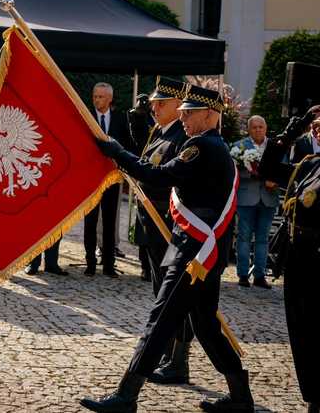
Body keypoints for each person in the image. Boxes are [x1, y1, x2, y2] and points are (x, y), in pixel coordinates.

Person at [81, 85, 254, 413]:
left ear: (210, 115)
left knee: (160, 320)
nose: (184, 118)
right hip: (202, 251)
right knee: (204, 325)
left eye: (190, 113)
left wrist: (117, 151)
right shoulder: (212, 146)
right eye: (183, 111)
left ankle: (126, 396)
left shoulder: (201, 147)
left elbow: (157, 176)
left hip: (193, 253)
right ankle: (241, 396)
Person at [259, 108, 320, 413]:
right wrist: (289, 133)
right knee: (300, 329)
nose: (318, 130)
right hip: (299, 260)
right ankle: (313, 395)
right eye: (317, 126)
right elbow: (269, 170)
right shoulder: (311, 164)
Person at [136, 77, 193, 385]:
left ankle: (178, 360)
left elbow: (164, 178)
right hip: (153, 227)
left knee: (174, 296)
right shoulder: (159, 133)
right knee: (161, 292)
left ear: (178, 106)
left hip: (171, 229)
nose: (154, 107)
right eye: (154, 103)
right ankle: (168, 353)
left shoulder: (182, 139)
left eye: (162, 103)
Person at [84, 82, 131, 277]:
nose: (97, 100)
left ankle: (109, 264)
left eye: (101, 97)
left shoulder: (121, 119)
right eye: (95, 96)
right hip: (91, 179)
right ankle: (90, 263)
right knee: (90, 222)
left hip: (112, 178)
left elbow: (126, 144)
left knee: (110, 222)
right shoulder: (87, 117)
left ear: (110, 99)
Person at [232, 115, 279, 289]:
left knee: (263, 238)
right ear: (249, 129)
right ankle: (243, 274)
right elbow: (234, 173)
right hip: (246, 198)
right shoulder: (240, 146)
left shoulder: (276, 146)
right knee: (244, 237)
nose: (258, 130)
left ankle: (259, 275)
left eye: (261, 127)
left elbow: (283, 167)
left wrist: (274, 180)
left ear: (266, 129)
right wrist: (251, 172)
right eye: (254, 127)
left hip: (268, 197)